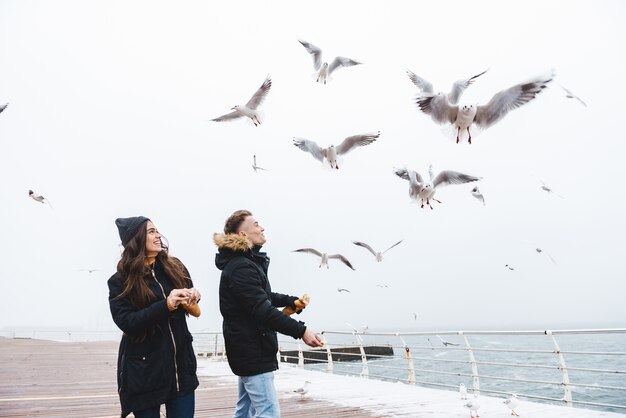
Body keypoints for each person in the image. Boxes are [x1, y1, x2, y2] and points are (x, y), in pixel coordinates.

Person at [214, 209, 324, 418]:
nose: (262, 228)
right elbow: (261, 309)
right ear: (243, 235)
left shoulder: (245, 263)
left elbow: (263, 295)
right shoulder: (241, 267)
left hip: (248, 349)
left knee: (244, 411)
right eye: (256, 224)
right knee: (268, 413)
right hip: (252, 350)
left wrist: (289, 300)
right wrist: (302, 331)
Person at [108, 216, 201, 418]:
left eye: (157, 230)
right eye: (151, 231)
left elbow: (192, 309)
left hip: (180, 369)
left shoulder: (175, 267)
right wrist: (166, 305)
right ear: (136, 239)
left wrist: (194, 296)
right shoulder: (120, 281)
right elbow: (127, 323)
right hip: (144, 371)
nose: (158, 235)